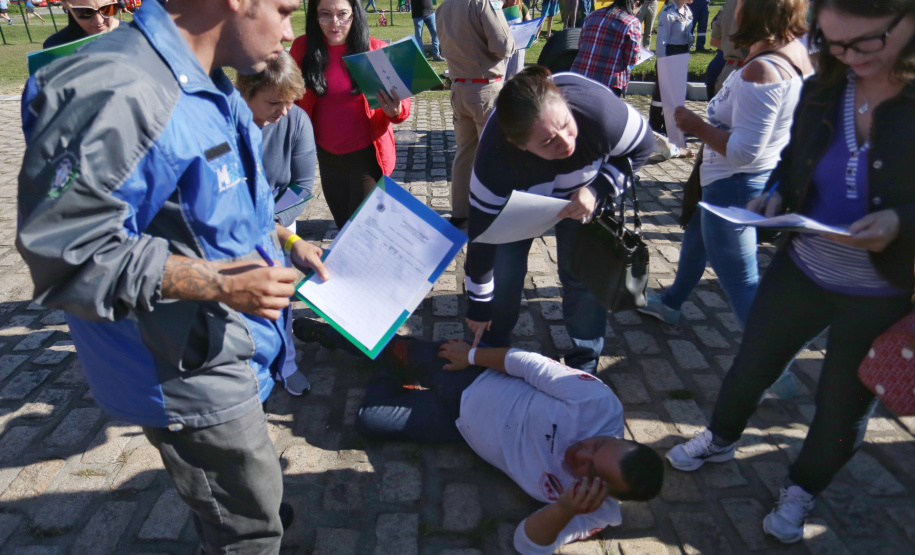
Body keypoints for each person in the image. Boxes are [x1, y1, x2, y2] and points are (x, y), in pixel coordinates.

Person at [17, 0, 331, 552]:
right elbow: (66, 252)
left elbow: (231, 210)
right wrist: (222, 283)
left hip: (233, 345)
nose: (290, 30)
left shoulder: (211, 82)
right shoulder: (118, 88)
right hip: (183, 365)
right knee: (246, 531)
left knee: (254, 503)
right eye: (283, 9)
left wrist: (286, 243)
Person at [665, 0, 915, 544]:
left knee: (842, 406)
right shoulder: (829, 84)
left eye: (863, 43)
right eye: (833, 43)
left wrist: (901, 221)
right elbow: (792, 155)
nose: (848, 57)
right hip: (803, 266)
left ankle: (802, 487)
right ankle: (721, 437)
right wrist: (778, 193)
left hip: (880, 292)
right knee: (751, 364)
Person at [293, 321, 664, 555]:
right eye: (597, 445)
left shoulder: (594, 511)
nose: (580, 451)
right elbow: (527, 364)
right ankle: (338, 335)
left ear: (604, 491)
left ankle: (394, 363)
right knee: (397, 350)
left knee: (368, 420)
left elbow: (526, 545)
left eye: (589, 469)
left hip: (457, 427)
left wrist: (565, 509)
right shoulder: (599, 404)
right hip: (471, 376)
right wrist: (471, 355)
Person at [465, 68, 654, 373]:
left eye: (566, 124)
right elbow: (482, 240)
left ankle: (584, 361)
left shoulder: (600, 112)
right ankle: (489, 351)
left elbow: (644, 146)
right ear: (518, 144)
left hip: (582, 198)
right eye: (548, 141)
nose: (566, 143)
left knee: (583, 277)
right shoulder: (494, 162)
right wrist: (479, 304)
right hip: (518, 205)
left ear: (566, 104)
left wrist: (597, 189)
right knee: (504, 275)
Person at [639, 0, 812, 329]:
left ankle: (769, 360)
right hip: (739, 181)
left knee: (742, 282)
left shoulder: (761, 71)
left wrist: (696, 126)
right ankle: (671, 303)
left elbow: (743, 151)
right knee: (696, 238)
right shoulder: (793, 52)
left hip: (733, 185)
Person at [236, 51, 318, 397]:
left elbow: (302, 186)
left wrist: (275, 226)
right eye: (273, 102)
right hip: (230, 221)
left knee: (279, 298)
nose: (283, 111)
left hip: (277, 219)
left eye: (290, 102)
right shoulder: (224, 123)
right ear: (245, 92)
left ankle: (287, 364)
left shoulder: (296, 120)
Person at [290, 0, 411, 229]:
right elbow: (290, 97)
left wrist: (395, 110)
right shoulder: (303, 48)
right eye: (325, 14)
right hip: (327, 156)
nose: (334, 23)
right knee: (343, 225)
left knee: (363, 229)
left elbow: (402, 107)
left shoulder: (374, 49)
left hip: (366, 157)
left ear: (354, 15)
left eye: (342, 14)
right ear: (315, 17)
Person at [437, 0, 514, 228]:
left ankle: (460, 211)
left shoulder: (443, 7)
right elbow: (504, 47)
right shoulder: (483, 3)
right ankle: (493, 213)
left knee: (464, 152)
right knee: (495, 153)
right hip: (485, 88)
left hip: (459, 87)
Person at [571, 0, 643, 97]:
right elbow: (631, 58)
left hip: (579, 77)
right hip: (607, 82)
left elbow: (580, 44)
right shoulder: (632, 23)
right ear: (636, 3)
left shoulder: (593, 15)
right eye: (639, 10)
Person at [648, 0, 692, 133]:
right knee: (661, 93)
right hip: (669, 54)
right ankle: (655, 125)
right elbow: (661, 41)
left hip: (682, 54)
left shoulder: (688, 11)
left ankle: (671, 126)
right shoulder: (668, 13)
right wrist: (662, 63)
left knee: (677, 93)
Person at [43, 0, 120, 48]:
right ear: (65, 4)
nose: (99, 21)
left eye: (107, 9)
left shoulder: (127, 35)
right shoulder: (56, 46)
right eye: (85, 12)